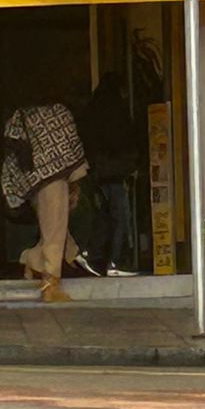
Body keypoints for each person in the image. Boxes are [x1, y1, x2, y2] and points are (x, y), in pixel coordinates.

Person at [0, 100, 91, 303]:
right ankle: (51, 284)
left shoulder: (22, 113)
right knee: (55, 229)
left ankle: (33, 260)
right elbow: (71, 148)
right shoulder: (60, 112)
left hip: (33, 180)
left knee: (54, 230)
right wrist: (76, 181)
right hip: (54, 179)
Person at [81, 71, 139, 275]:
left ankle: (92, 253)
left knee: (104, 214)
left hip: (97, 169)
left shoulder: (93, 108)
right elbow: (120, 138)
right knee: (120, 215)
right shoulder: (115, 109)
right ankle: (116, 261)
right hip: (115, 169)